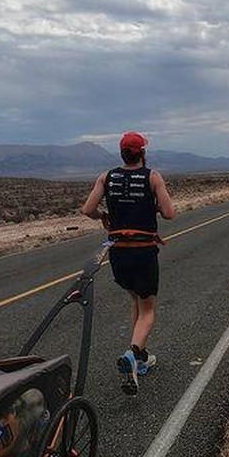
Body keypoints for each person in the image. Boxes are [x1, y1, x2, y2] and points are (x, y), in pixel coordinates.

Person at [81, 131, 175, 395]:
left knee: (135, 300)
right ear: (142, 153)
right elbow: (169, 213)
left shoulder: (106, 177)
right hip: (143, 252)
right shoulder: (153, 177)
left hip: (118, 254)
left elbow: (87, 209)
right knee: (148, 310)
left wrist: (103, 216)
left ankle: (141, 360)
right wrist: (152, 206)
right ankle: (132, 355)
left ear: (122, 153)